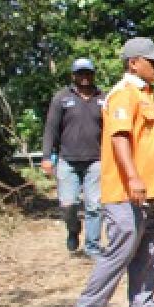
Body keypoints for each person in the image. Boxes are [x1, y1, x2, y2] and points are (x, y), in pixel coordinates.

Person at [71, 37, 154, 307]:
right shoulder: (123, 95)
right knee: (119, 252)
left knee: (147, 252)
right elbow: (119, 139)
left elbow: (152, 145)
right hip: (125, 191)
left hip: (150, 191)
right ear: (134, 63)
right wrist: (132, 178)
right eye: (151, 60)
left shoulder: (146, 95)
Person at [40, 57, 104, 258]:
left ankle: (92, 246)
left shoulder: (103, 98)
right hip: (67, 159)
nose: (84, 77)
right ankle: (73, 229)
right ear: (73, 75)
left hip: (96, 160)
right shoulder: (62, 98)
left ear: (93, 74)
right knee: (68, 205)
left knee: (95, 205)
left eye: (88, 73)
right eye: (80, 73)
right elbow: (51, 129)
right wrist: (46, 157)